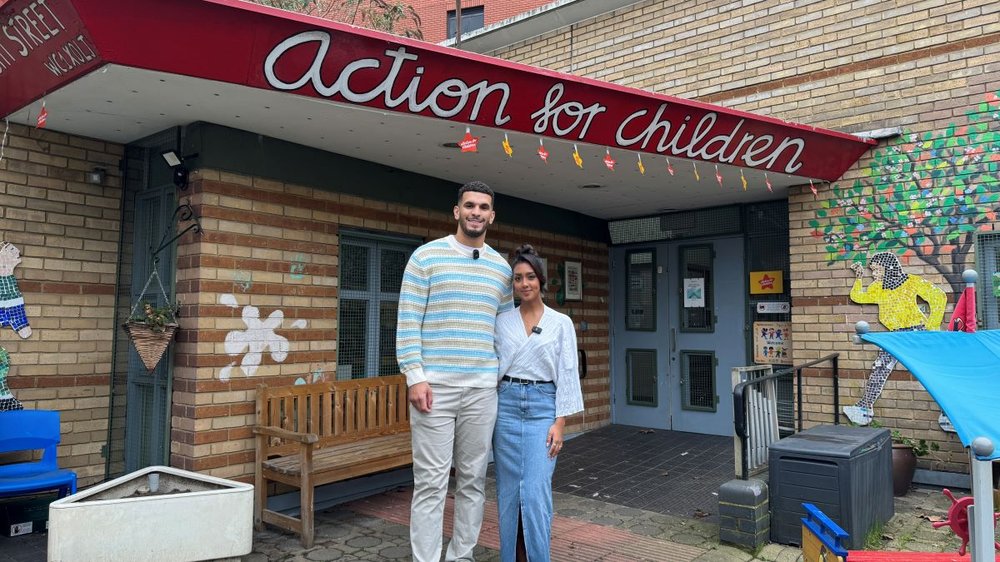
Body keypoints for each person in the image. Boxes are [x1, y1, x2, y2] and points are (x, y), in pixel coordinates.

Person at [396, 180, 513, 562]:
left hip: (482, 390)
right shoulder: (426, 258)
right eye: (469, 205)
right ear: (456, 211)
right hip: (435, 389)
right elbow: (408, 320)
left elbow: (505, 331)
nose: (476, 212)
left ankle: (461, 556)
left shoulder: (501, 269)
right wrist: (415, 376)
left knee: (474, 481)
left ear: (492, 216)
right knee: (430, 482)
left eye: (483, 207)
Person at [493, 245, 584, 562]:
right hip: (504, 407)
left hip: (542, 408)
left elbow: (568, 373)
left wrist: (560, 423)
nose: (524, 283)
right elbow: (492, 367)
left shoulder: (561, 323)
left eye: (530, 276)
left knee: (534, 491)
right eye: (518, 278)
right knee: (508, 493)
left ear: (541, 280)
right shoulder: (502, 321)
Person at [843, 252, 945, 426]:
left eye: (876, 270)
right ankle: (864, 408)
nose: (874, 274)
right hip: (894, 334)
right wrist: (859, 278)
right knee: (880, 368)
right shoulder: (878, 287)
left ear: (887, 267)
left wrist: (932, 326)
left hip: (916, 332)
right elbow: (859, 297)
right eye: (872, 270)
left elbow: (939, 296)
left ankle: (947, 413)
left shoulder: (910, 281)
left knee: (931, 370)